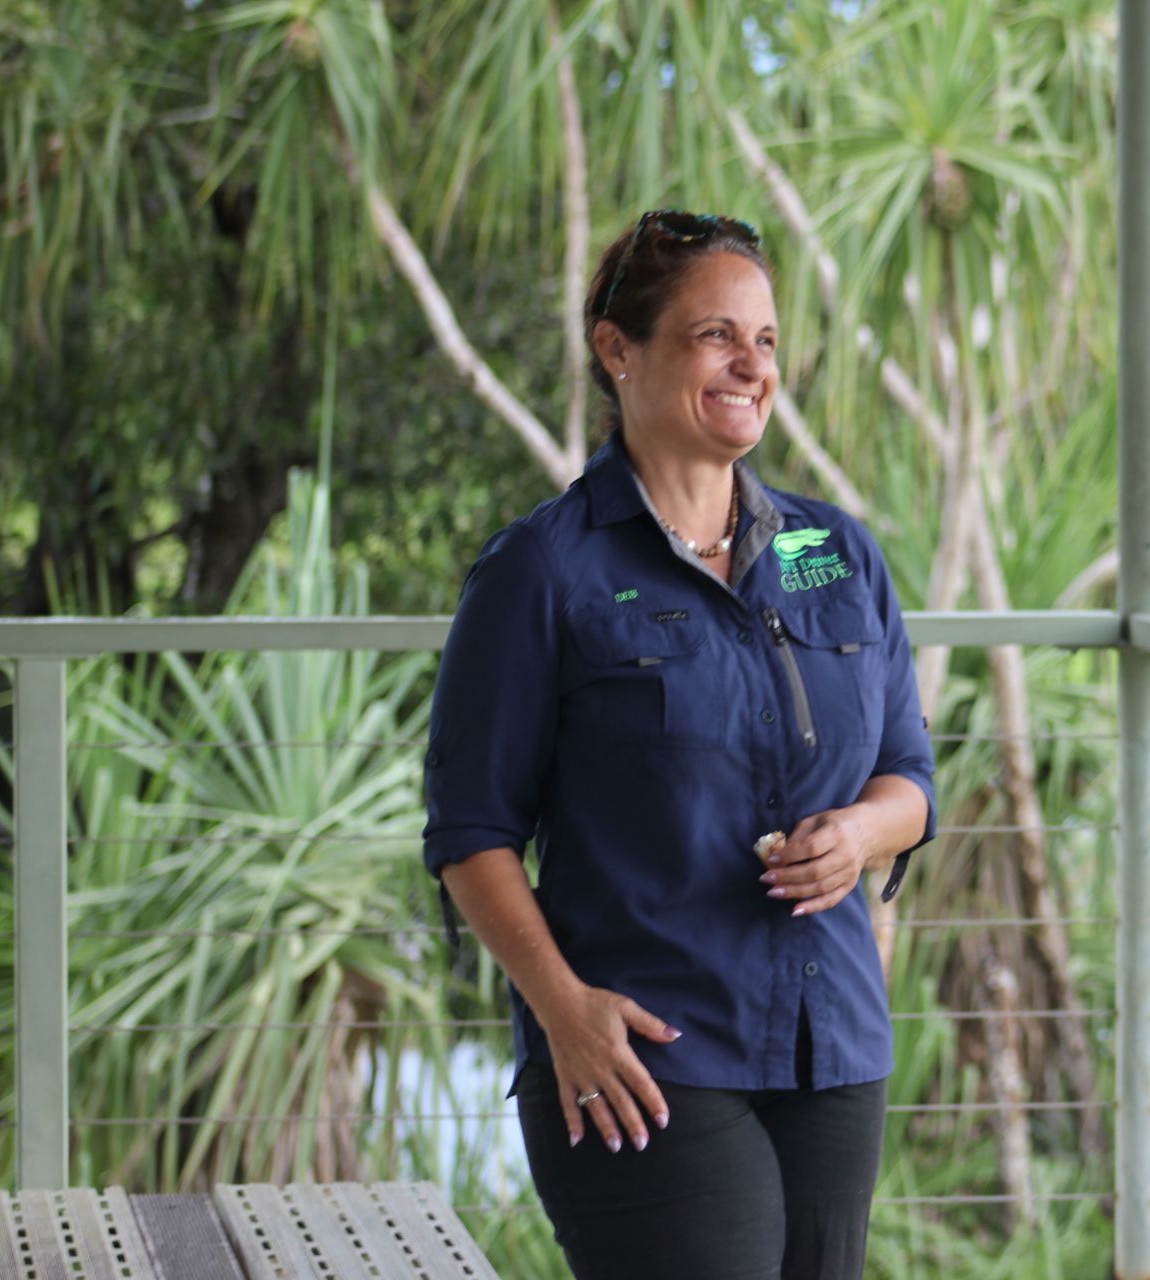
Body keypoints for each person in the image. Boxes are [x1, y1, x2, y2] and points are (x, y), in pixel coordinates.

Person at [422, 209, 936, 1280]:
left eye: (768, 339)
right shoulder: (541, 572)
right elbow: (471, 835)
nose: (753, 365)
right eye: (716, 335)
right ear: (619, 350)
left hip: (830, 1037)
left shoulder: (835, 552)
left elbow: (910, 777)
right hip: (639, 1051)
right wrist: (563, 1009)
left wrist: (858, 831)